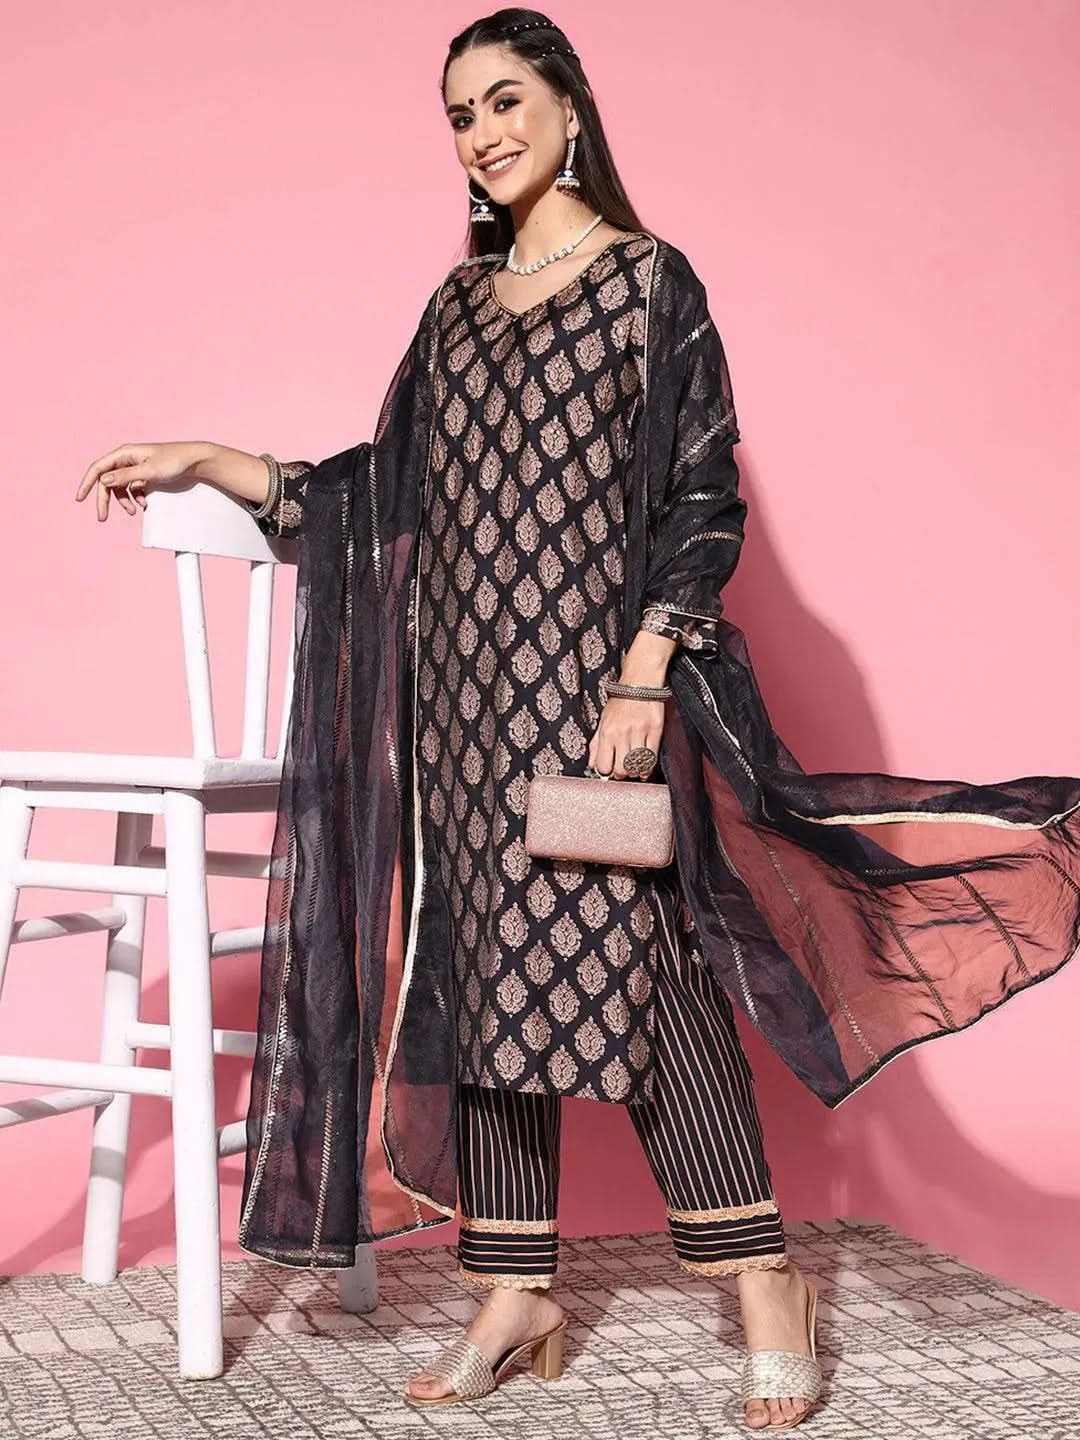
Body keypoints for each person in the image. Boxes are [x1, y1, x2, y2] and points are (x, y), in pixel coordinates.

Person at [74, 8, 1080, 1432]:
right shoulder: (456, 308)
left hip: (591, 692)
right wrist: (218, 459)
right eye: (458, 116)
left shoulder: (649, 284)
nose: (482, 136)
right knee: (486, 976)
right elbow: (386, 491)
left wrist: (644, 671)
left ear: (568, 109)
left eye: (503, 101)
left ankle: (764, 1283)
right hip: (460, 704)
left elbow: (702, 496)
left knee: (646, 973)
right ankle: (516, 1291)